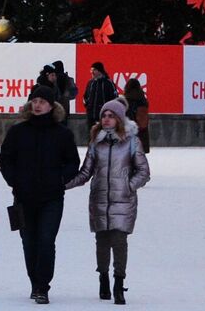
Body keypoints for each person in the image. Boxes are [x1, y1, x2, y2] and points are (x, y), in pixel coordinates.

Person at [0, 85, 80, 304]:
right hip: (23, 198)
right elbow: (5, 159)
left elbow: (73, 162)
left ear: (52, 106)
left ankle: (43, 286)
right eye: (34, 101)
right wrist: (14, 181)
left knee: (46, 241)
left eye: (42, 101)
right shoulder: (18, 132)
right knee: (29, 242)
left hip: (52, 198)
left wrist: (60, 180)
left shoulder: (62, 134)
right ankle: (34, 283)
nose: (37, 105)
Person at [66, 98, 151, 304]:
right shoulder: (96, 141)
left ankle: (118, 283)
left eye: (111, 116)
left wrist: (128, 185)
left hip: (123, 200)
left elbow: (144, 171)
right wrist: (65, 184)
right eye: (104, 115)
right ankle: (103, 278)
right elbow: (86, 171)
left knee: (119, 241)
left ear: (119, 119)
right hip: (99, 199)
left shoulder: (132, 141)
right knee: (102, 241)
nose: (106, 119)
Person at [123, 77, 151, 153]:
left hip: (128, 133)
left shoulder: (125, 101)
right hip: (141, 134)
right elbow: (143, 120)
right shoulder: (142, 100)